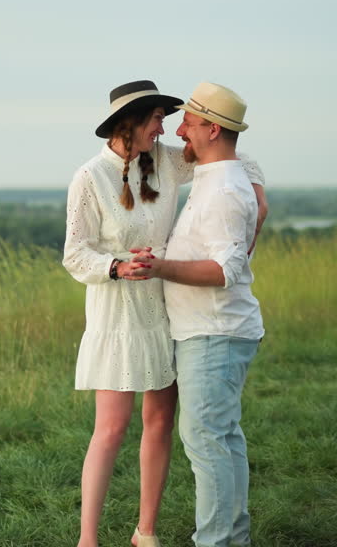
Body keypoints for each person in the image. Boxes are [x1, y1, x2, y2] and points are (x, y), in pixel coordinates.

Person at [63, 80, 267, 547]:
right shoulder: (89, 177)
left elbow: (232, 156)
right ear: (130, 122)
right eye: (158, 118)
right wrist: (115, 266)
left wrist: (258, 193)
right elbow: (75, 255)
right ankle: (87, 540)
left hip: (167, 307)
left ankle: (146, 532)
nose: (167, 128)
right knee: (111, 428)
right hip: (117, 311)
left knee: (160, 423)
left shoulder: (168, 165)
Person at [129, 82, 265, 547]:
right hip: (207, 332)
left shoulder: (225, 190)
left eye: (188, 122)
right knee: (219, 440)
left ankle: (218, 541)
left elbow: (226, 269)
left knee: (209, 443)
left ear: (212, 127)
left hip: (216, 332)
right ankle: (228, 538)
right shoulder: (216, 174)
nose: (179, 130)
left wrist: (160, 267)